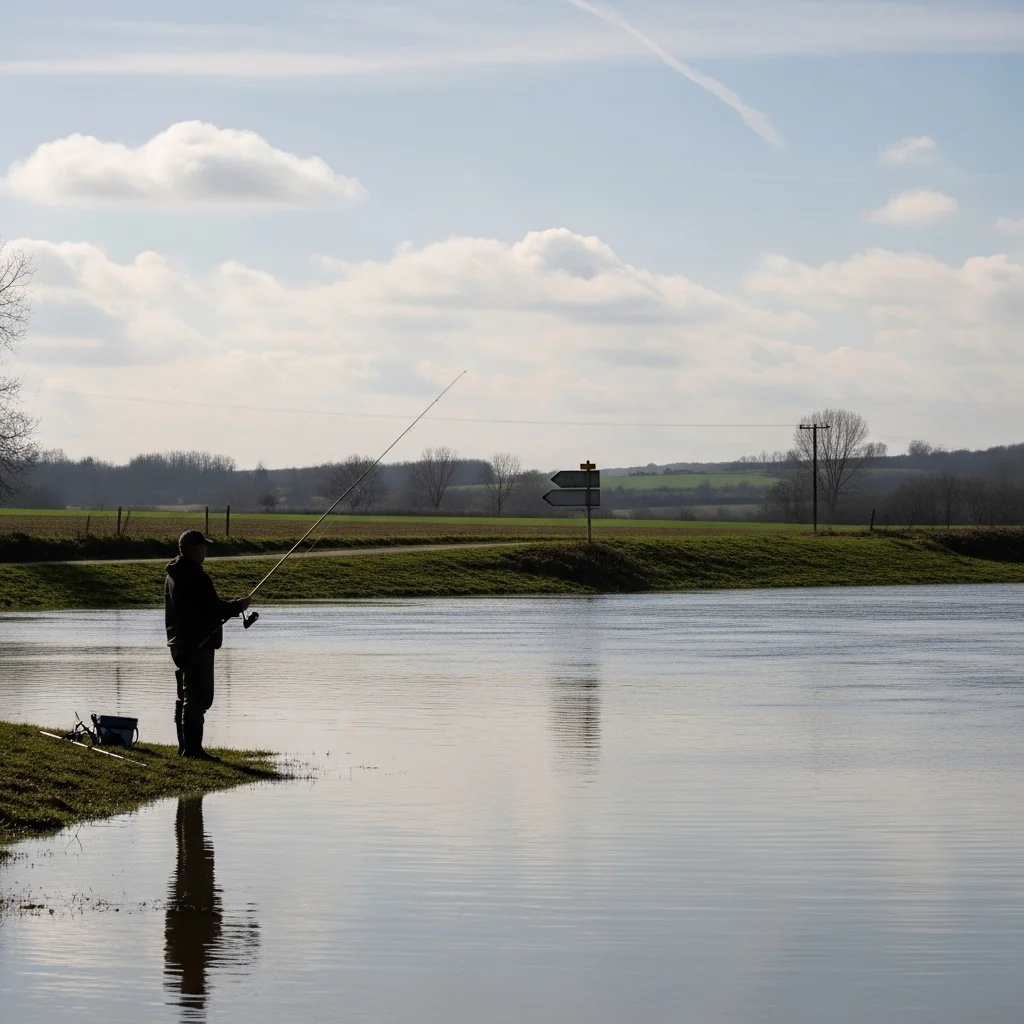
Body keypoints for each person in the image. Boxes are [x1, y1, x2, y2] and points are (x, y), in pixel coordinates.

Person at [165, 530, 251, 759]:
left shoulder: (173, 574)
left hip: (178, 643)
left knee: (186, 695)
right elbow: (213, 608)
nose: (205, 552)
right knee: (199, 697)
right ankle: (193, 750)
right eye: (203, 548)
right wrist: (238, 606)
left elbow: (199, 609)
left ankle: (185, 747)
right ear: (194, 549)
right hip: (197, 644)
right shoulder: (196, 576)